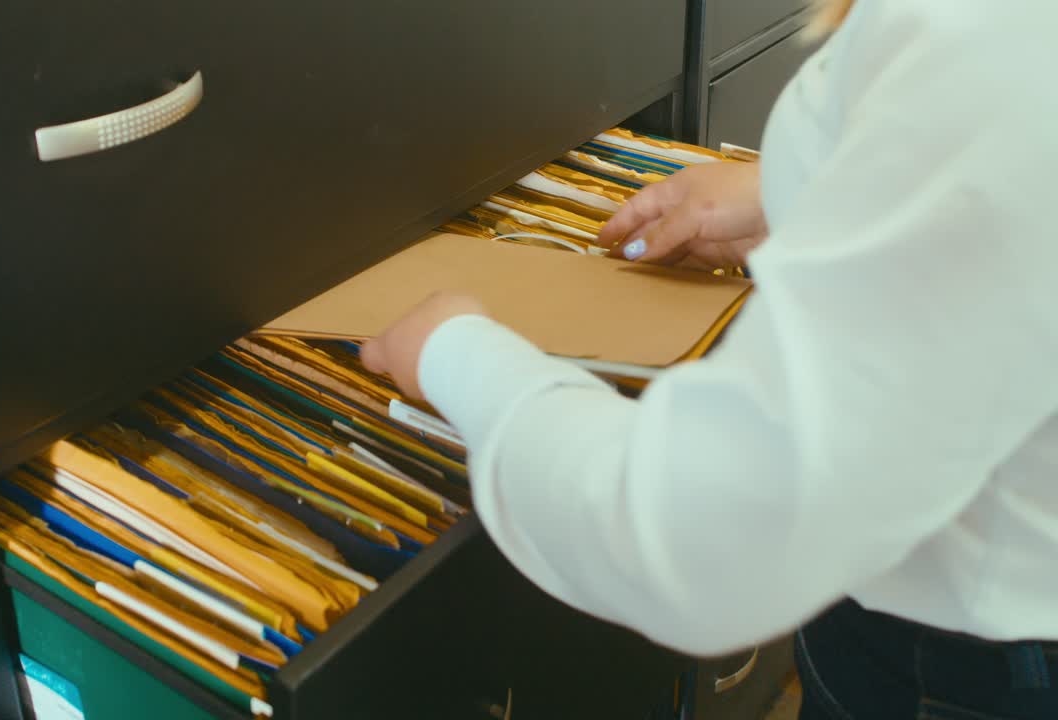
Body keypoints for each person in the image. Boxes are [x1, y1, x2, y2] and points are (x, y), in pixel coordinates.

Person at [359, 0, 1058, 718]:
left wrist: (456, 357)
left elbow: (709, 540)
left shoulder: (988, 51)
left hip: (974, 667)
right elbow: (989, 198)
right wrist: (802, 191)